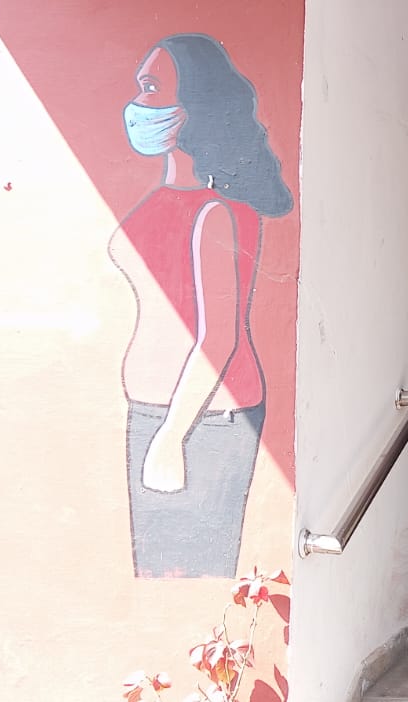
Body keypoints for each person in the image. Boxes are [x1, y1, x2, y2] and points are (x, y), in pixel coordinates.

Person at [109, 33, 293, 578]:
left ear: (194, 103)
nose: (138, 104)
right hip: (155, 411)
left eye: (151, 88)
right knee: (157, 568)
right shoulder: (171, 199)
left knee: (188, 572)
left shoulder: (216, 212)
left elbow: (218, 337)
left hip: (203, 420)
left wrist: (172, 436)